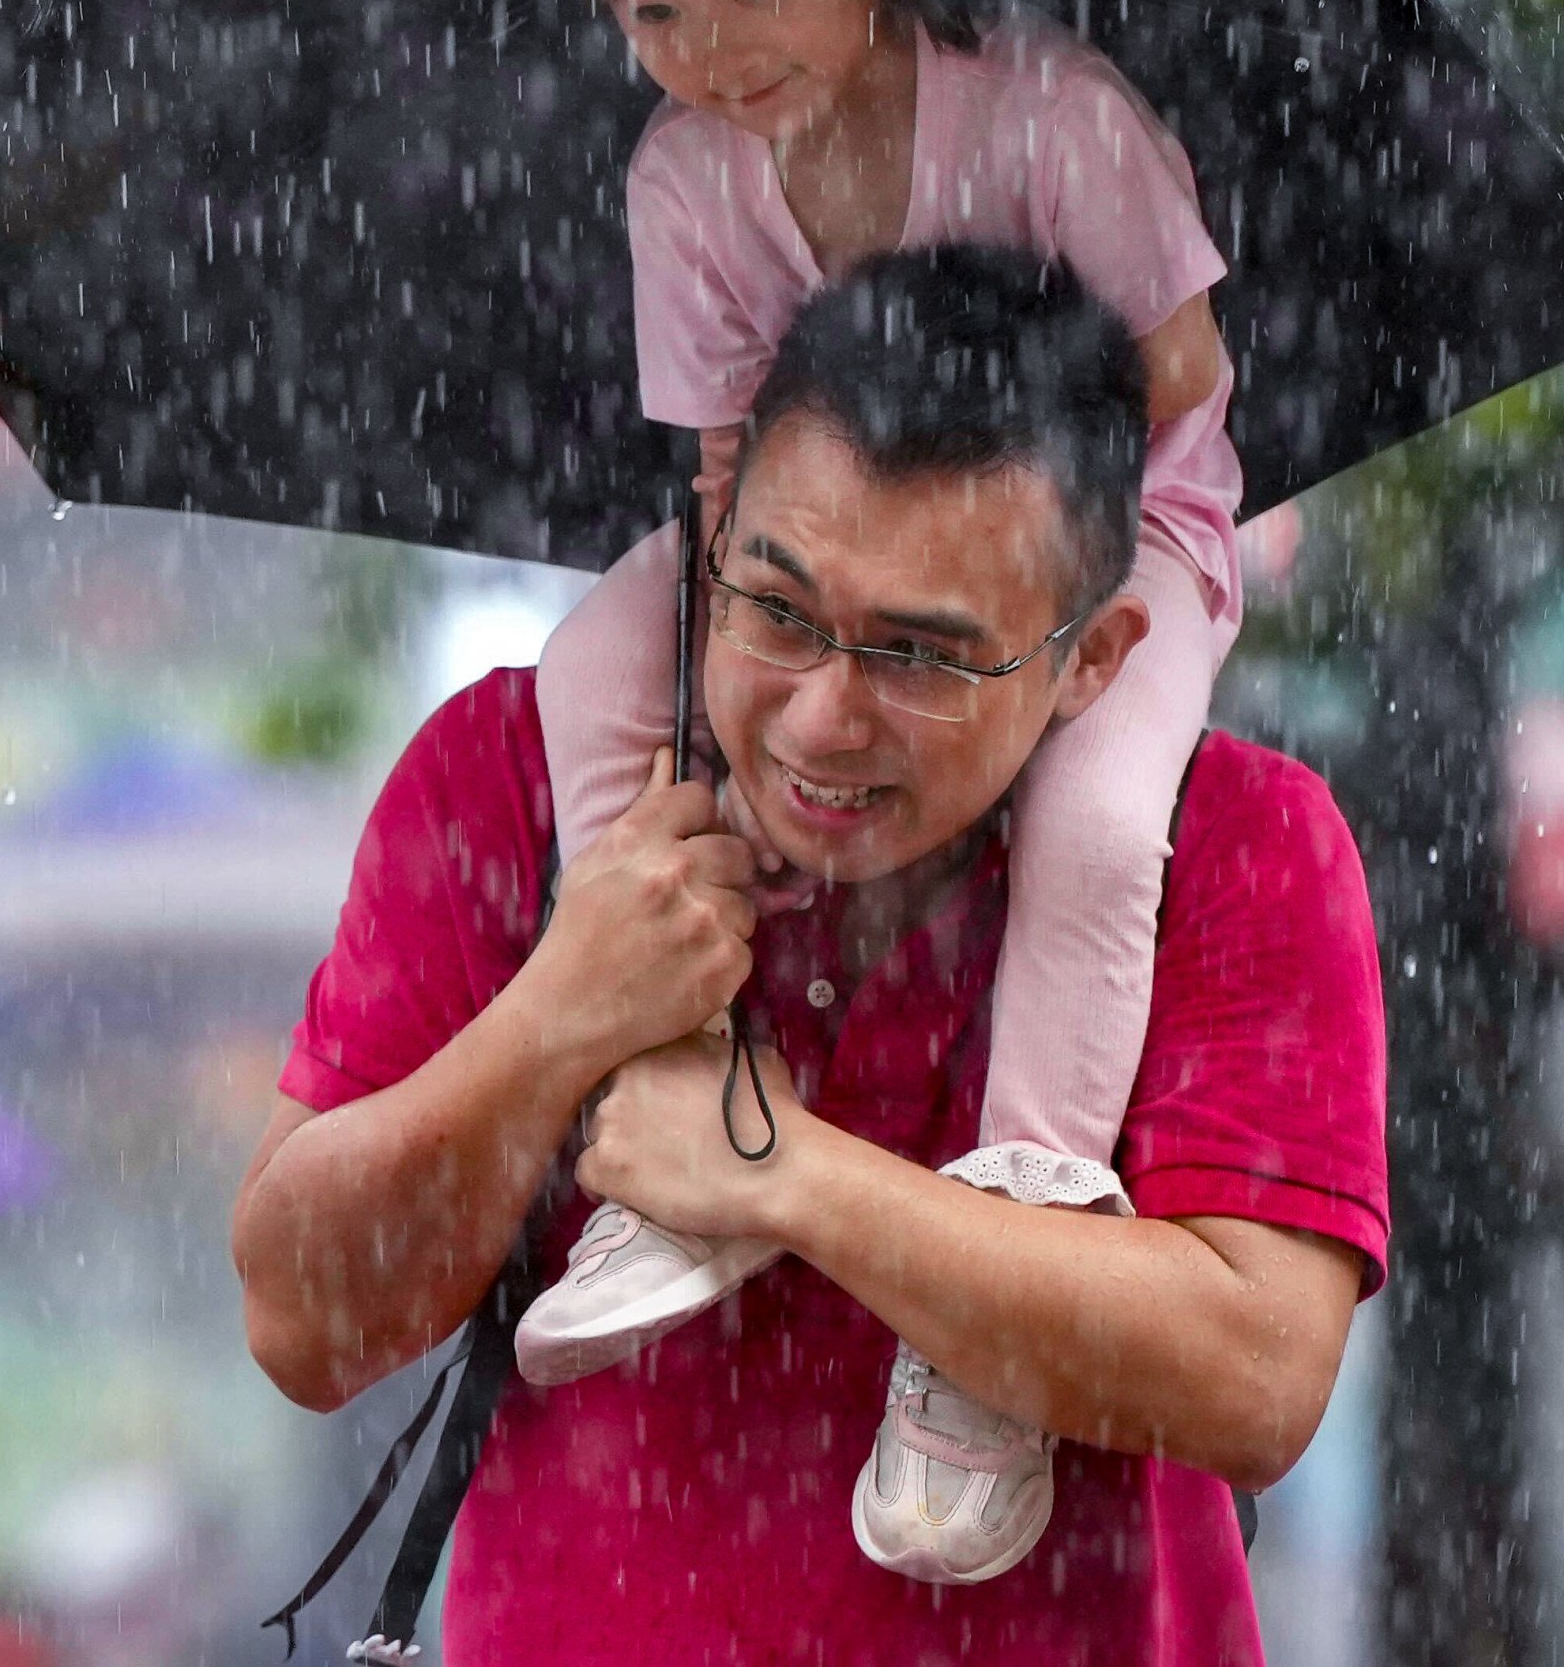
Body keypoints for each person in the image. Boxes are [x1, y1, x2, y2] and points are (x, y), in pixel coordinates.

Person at [238, 247, 1382, 1656]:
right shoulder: (509, 783)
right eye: (777, 611)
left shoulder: (1234, 843)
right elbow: (302, 1319)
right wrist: (555, 1017)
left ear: (1090, 659)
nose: (820, 717)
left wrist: (785, 1178)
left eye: (920, 655)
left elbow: (1252, 1376)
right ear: (711, 538)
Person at [516, 0, 1247, 1580]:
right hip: (815, 549)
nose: (718, 49)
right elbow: (717, 468)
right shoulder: (685, 183)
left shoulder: (1053, 124)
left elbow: (1186, 372)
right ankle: (679, 1093)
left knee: (1087, 826)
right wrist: (745, 682)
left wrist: (983, 467)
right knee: (593, 669)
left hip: (1120, 534)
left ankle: (1017, 1237)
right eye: (658, 11)